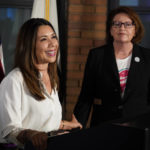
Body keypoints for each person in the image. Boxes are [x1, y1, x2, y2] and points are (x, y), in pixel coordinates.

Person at [0, 18, 82, 150]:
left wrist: (65, 125)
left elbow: (39, 118)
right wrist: (32, 135)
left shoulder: (52, 77)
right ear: (29, 44)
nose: (52, 44)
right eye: (44, 39)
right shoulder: (14, 80)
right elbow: (9, 130)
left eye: (53, 37)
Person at [73, 6, 150, 128]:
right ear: (110, 30)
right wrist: (76, 126)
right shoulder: (97, 55)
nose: (122, 28)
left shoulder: (147, 57)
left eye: (128, 24)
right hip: (105, 125)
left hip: (138, 127)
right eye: (117, 24)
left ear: (135, 30)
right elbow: (86, 96)